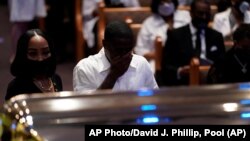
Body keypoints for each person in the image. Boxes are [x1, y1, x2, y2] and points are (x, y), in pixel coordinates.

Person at [73, 21, 158, 92]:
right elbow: (87, 106)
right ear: (105, 44)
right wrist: (113, 76)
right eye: (119, 50)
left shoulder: (141, 64)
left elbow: (154, 98)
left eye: (128, 50)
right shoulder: (85, 68)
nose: (124, 55)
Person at [161, 0, 226, 86]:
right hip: (183, 85)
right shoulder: (176, 35)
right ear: (191, 13)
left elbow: (224, 64)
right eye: (200, 13)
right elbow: (165, 66)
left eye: (207, 14)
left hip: (211, 84)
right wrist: (180, 71)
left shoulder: (217, 36)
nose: (204, 17)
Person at [134, 0, 191, 74]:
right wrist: (161, 55)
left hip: (186, 60)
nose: (166, 5)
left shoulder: (186, 17)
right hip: (158, 62)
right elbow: (140, 50)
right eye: (162, 3)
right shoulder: (148, 23)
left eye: (169, 1)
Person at [5, 29, 63, 100]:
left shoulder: (56, 79)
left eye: (45, 52)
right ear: (22, 56)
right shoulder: (16, 87)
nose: (40, 59)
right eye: (33, 53)